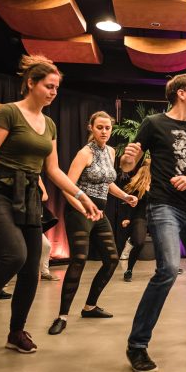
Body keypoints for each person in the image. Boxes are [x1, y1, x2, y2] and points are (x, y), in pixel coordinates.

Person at [0, 55, 101, 366]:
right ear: (31, 83)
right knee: (14, 255)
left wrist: (81, 195)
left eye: (57, 87)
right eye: (48, 85)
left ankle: (16, 332)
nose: (54, 92)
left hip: (28, 196)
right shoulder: (8, 114)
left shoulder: (50, 124)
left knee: (31, 270)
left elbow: (53, 171)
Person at [120, 71, 186, 372]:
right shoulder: (153, 124)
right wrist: (127, 159)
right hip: (163, 205)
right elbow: (129, 165)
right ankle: (137, 346)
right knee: (167, 269)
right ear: (181, 93)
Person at [48, 111, 138, 335]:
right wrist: (81, 207)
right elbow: (67, 186)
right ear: (91, 128)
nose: (104, 132)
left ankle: (90, 306)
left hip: (99, 212)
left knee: (111, 260)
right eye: (100, 127)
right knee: (78, 259)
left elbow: (107, 183)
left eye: (107, 128)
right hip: (79, 211)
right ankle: (62, 316)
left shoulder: (110, 151)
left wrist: (125, 196)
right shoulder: (84, 153)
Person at [120, 158, 151, 282]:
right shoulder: (139, 185)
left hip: (156, 217)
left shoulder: (159, 183)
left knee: (163, 242)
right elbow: (131, 203)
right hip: (141, 216)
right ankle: (129, 270)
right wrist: (127, 217)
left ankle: (165, 268)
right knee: (139, 242)